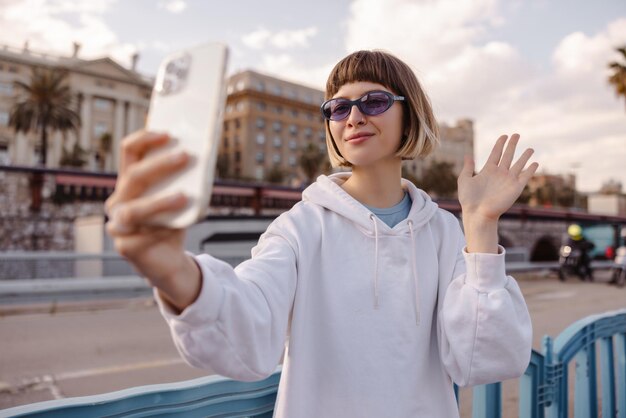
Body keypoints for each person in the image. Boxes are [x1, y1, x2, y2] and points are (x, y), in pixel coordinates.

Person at [105, 50, 537, 417]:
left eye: (374, 101)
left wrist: (480, 226)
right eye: (337, 107)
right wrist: (176, 274)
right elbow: (248, 331)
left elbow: (485, 359)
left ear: (411, 116)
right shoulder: (300, 227)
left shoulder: (443, 232)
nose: (353, 117)